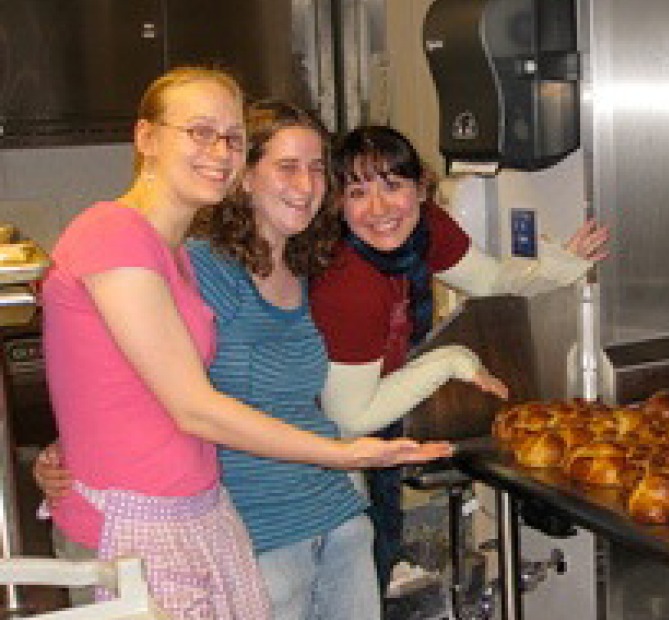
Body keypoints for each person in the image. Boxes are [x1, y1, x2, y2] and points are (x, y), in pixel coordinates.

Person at [39, 67, 439, 618]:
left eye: (232, 137)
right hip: (138, 527)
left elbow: (118, 381)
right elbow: (192, 405)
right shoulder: (117, 234)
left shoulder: (174, 254)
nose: (220, 151)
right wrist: (344, 452)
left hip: (199, 513)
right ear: (146, 138)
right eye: (200, 132)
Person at [310, 125, 610, 591]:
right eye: (357, 192)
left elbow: (489, 282)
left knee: (371, 566)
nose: (380, 208)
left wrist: (560, 265)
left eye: (393, 185)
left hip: (355, 438)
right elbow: (349, 418)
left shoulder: (425, 228)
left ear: (422, 187)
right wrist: (451, 361)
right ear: (337, 204)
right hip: (309, 455)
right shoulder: (348, 282)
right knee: (350, 573)